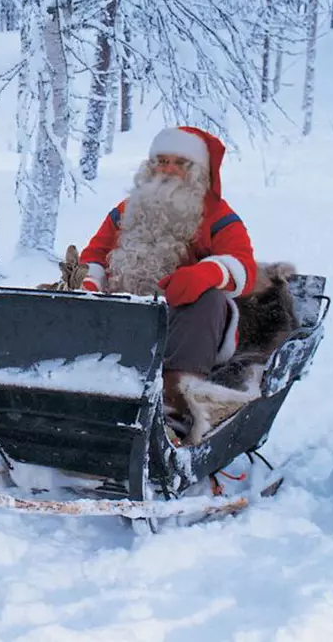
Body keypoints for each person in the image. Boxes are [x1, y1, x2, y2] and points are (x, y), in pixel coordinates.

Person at [78, 126, 258, 444]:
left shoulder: (217, 214)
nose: (168, 170)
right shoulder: (127, 210)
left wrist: (207, 274)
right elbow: (95, 253)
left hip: (182, 323)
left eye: (180, 163)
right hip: (123, 314)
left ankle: (175, 411)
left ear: (198, 171)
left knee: (210, 301)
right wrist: (90, 279)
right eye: (161, 161)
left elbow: (242, 265)